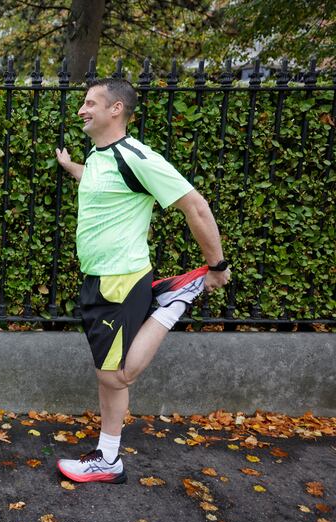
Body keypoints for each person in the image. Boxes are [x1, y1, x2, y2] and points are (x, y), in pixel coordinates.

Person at [54, 78, 231, 483]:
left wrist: (217, 266)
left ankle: (175, 300)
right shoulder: (101, 157)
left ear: (116, 109)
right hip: (97, 280)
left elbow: (196, 206)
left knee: (119, 375)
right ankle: (108, 458)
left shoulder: (137, 156)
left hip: (121, 279)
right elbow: (100, 184)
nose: (82, 110)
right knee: (106, 372)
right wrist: (71, 168)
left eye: (90, 103)